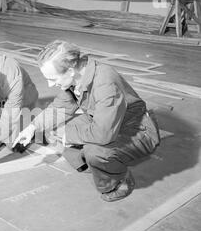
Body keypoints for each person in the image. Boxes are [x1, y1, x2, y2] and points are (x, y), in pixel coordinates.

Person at [13, 40, 161, 202]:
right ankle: (93, 166)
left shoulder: (105, 84)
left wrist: (67, 137)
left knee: (96, 151)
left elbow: (103, 134)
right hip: (107, 119)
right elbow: (59, 109)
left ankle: (119, 181)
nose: (50, 84)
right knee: (58, 130)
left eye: (53, 78)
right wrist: (32, 128)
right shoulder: (78, 74)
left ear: (70, 71)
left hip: (137, 129)